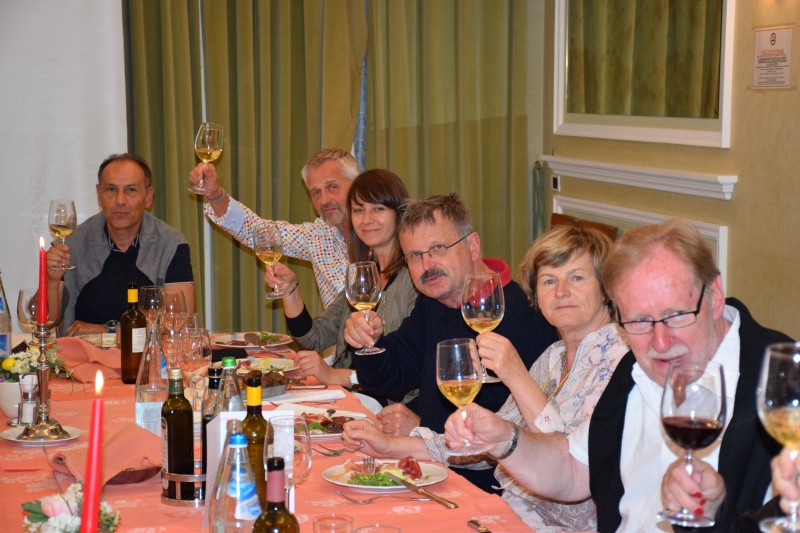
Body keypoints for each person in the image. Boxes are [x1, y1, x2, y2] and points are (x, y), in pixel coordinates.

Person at [443, 218, 791, 532]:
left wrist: (714, 513)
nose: (659, 342)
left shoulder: (784, 390)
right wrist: (507, 440)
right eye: (638, 321)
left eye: (674, 316)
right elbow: (573, 471)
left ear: (714, 295)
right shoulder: (633, 370)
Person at [343, 225, 628, 531]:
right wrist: (391, 446)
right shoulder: (553, 357)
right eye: (548, 280)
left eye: (577, 277)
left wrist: (517, 377)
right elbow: (486, 445)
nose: (561, 292)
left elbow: (571, 476)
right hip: (509, 513)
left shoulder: (620, 362)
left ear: (606, 288)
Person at [343, 193, 558, 493]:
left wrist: (423, 430)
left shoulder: (523, 320)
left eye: (438, 248)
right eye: (414, 255)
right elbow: (389, 377)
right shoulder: (435, 302)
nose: (427, 265)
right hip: (430, 470)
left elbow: (518, 437)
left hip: (485, 489)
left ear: (473, 246)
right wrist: (366, 341)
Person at [263, 168, 418, 402]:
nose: (366, 219)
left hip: (390, 406)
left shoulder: (415, 279)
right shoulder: (364, 276)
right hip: (353, 398)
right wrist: (290, 290)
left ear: (399, 212)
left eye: (378, 208)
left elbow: (409, 371)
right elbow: (314, 338)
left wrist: (334, 375)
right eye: (358, 210)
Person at [188, 148, 360, 307]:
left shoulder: (375, 233)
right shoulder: (318, 236)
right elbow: (254, 231)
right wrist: (214, 194)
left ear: (357, 185)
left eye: (333, 187)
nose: (324, 200)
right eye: (316, 192)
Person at [46, 154, 195, 337]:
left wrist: (108, 331)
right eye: (111, 189)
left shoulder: (171, 244)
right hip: (84, 353)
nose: (120, 200)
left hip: (147, 354)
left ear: (148, 196)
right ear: (99, 195)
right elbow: (46, 320)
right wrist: (51, 281)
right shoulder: (70, 244)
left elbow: (179, 322)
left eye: (131, 190)